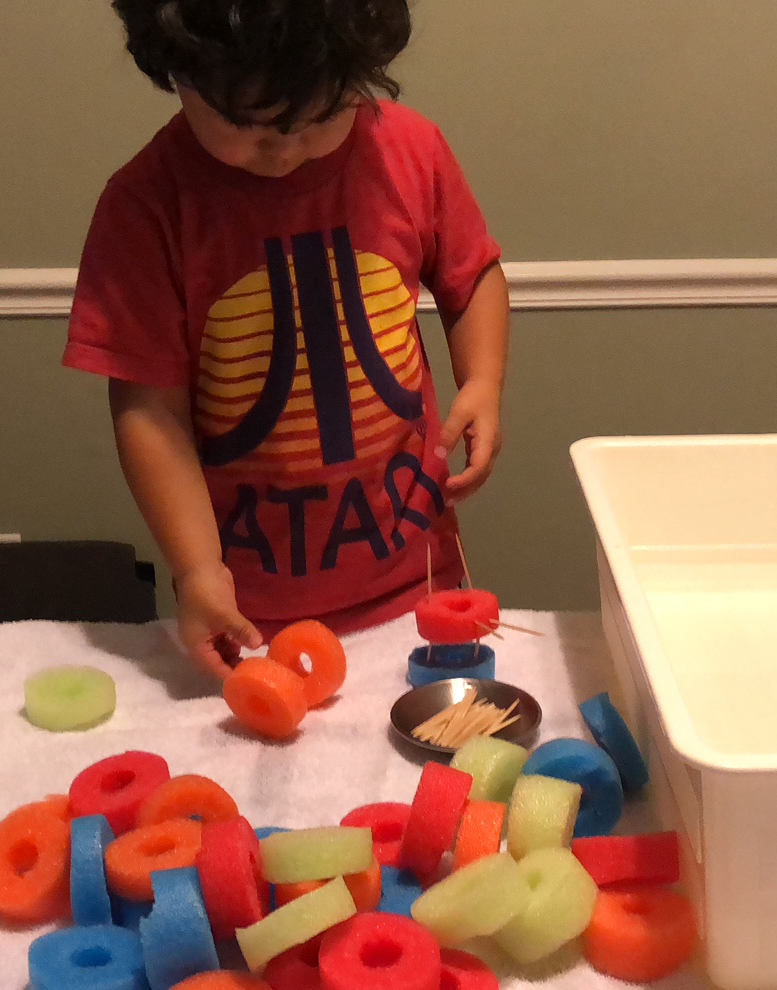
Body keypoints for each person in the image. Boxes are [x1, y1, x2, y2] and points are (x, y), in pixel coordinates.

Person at [65, 0, 510, 676]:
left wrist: (482, 380)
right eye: (249, 125)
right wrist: (196, 569)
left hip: (420, 584)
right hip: (252, 613)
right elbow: (150, 413)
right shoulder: (145, 207)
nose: (286, 147)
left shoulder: (411, 149)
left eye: (324, 115)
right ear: (176, 73)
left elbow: (472, 275)